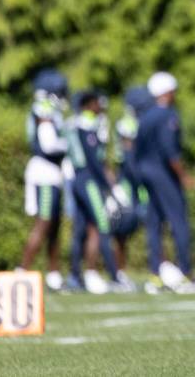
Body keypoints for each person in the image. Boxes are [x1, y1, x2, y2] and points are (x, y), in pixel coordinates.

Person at [135, 72, 195, 294]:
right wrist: (184, 176)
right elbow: (170, 152)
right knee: (178, 221)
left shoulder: (145, 116)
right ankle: (185, 274)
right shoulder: (167, 115)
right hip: (162, 173)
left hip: (145, 173)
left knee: (154, 224)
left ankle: (156, 276)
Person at [66, 90, 126, 293]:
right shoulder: (87, 124)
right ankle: (111, 275)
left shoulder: (75, 123)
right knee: (102, 226)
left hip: (78, 179)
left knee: (81, 229)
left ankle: (75, 275)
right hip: (88, 180)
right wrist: (110, 186)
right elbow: (94, 160)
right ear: (89, 104)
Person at [19, 69, 71, 291]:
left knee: (54, 227)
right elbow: (48, 144)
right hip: (45, 173)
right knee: (44, 223)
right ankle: (22, 270)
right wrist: (69, 146)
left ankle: (53, 274)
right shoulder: (45, 107)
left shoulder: (50, 108)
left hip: (51, 174)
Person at [110, 85, 154, 288]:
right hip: (129, 180)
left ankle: (159, 269)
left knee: (153, 223)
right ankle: (120, 272)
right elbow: (129, 157)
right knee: (123, 228)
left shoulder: (145, 121)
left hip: (142, 179)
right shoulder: (127, 124)